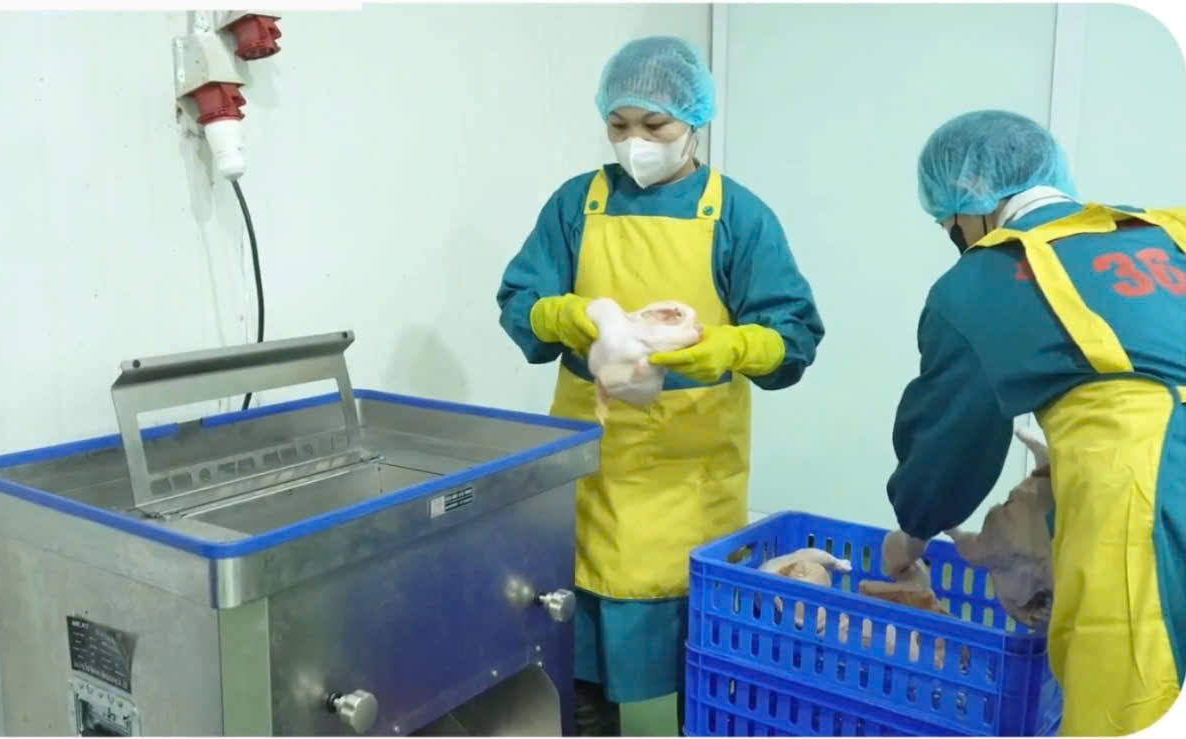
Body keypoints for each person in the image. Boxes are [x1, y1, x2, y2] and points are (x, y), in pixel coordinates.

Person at [495, 35, 824, 736]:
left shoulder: (736, 216)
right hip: (590, 475)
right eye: (619, 125)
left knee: (696, 672)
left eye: (654, 125)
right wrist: (573, 316)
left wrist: (727, 346)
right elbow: (521, 303)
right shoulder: (577, 205)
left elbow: (794, 336)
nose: (635, 142)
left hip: (690, 483)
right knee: (581, 676)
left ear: (695, 120)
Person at [882, 109, 1186, 736]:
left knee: (1132, 701)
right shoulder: (1162, 232)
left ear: (970, 203)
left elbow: (952, 441)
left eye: (948, 225)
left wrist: (912, 532)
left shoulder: (981, 279)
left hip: (1144, 498)